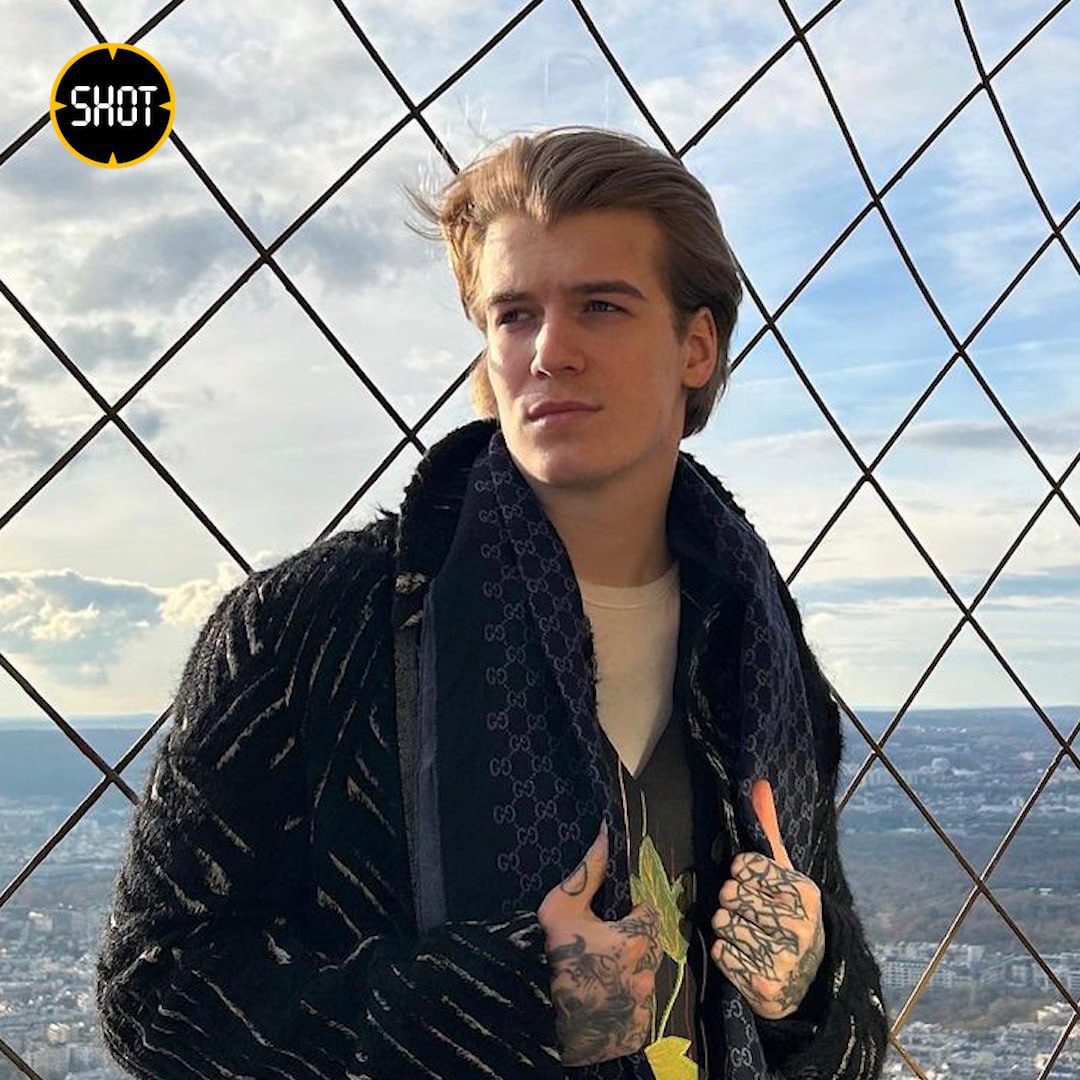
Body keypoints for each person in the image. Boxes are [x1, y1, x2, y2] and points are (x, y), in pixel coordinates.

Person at [96, 126, 889, 1080]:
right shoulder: (306, 630)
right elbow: (157, 997)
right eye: (514, 315)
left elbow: (841, 1007)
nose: (550, 351)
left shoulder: (760, 648)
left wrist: (810, 984)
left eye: (600, 305)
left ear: (696, 346)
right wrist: (510, 1003)